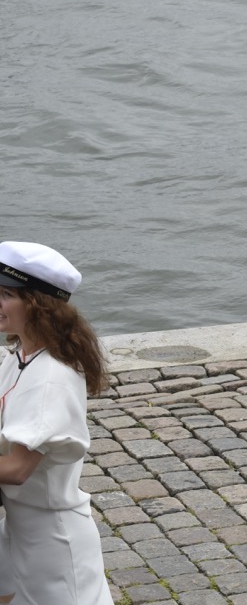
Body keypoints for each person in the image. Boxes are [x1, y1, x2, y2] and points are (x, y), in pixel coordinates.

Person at [0, 241, 111, 604]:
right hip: (19, 529)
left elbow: (17, 468)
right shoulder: (20, 356)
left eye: (5, 295)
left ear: (37, 304)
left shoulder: (50, 377)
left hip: (53, 544)